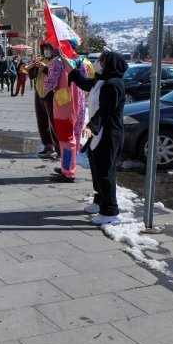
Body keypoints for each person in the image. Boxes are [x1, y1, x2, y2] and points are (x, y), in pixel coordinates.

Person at [67, 51, 129, 225]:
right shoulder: (100, 81)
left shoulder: (113, 84)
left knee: (105, 172)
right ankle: (99, 200)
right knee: (96, 168)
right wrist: (69, 66)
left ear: (109, 64)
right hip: (97, 133)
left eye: (101, 61)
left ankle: (110, 212)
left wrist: (92, 126)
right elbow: (84, 83)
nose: (97, 63)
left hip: (108, 134)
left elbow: (105, 111)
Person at [44, 40, 88, 183]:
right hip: (79, 103)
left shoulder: (57, 62)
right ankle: (67, 166)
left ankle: (68, 172)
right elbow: (84, 80)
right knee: (74, 136)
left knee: (66, 139)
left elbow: (49, 84)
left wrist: (48, 70)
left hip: (65, 105)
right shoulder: (81, 61)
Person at [29, 42, 59, 159]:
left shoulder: (57, 61)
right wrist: (33, 65)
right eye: (44, 48)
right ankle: (48, 146)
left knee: (53, 122)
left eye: (48, 48)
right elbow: (31, 76)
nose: (45, 51)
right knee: (42, 121)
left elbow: (55, 76)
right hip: (39, 92)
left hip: (51, 93)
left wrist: (44, 67)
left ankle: (58, 148)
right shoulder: (42, 59)